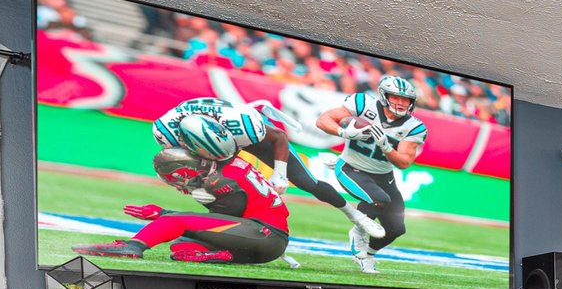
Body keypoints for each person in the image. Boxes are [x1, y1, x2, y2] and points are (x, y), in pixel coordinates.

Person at [152, 95, 384, 241]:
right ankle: (231, 234)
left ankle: (356, 216)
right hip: (208, 140)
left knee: (306, 182)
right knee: (212, 187)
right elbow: (176, 168)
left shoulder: (243, 125)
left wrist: (280, 174)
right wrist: (192, 188)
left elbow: (279, 137)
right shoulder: (166, 132)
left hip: (241, 130)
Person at [76, 115, 291, 264]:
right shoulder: (231, 162)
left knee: (174, 223)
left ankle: (132, 247)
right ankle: (222, 255)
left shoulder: (218, 179)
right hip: (262, 241)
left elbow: (228, 217)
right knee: (181, 246)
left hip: (263, 234)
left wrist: (163, 214)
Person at [314, 75, 427, 274]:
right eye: (396, 97)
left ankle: (365, 256)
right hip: (350, 167)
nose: (401, 103)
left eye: (406, 99)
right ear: (384, 96)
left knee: (396, 228)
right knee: (379, 199)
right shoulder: (363, 104)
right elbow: (323, 120)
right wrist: (344, 132)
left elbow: (404, 162)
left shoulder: (413, 126)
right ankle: (358, 231)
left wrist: (386, 147)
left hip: (384, 176)